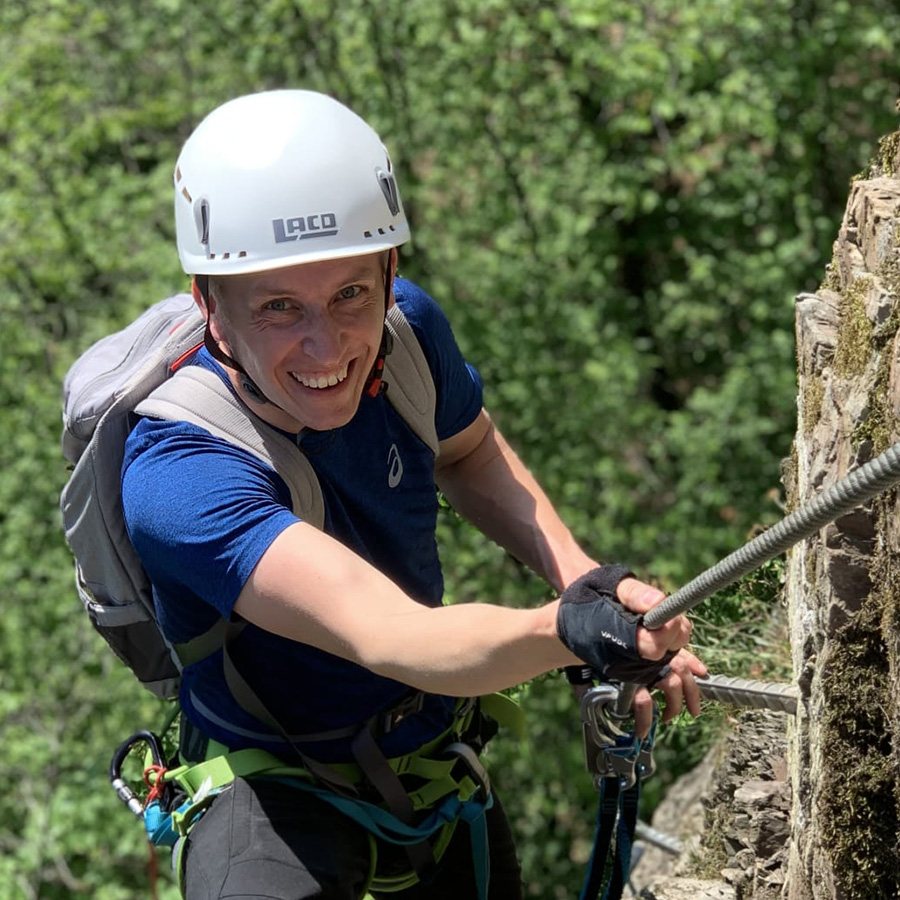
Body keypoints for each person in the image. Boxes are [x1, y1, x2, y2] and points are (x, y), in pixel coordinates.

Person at [120, 89, 707, 900]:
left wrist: (590, 589)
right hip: (271, 794)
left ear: (390, 273)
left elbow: (470, 454)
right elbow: (393, 633)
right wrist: (569, 630)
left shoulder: (408, 337)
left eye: (351, 295)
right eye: (280, 308)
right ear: (209, 305)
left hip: (431, 764)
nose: (327, 347)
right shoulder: (180, 472)